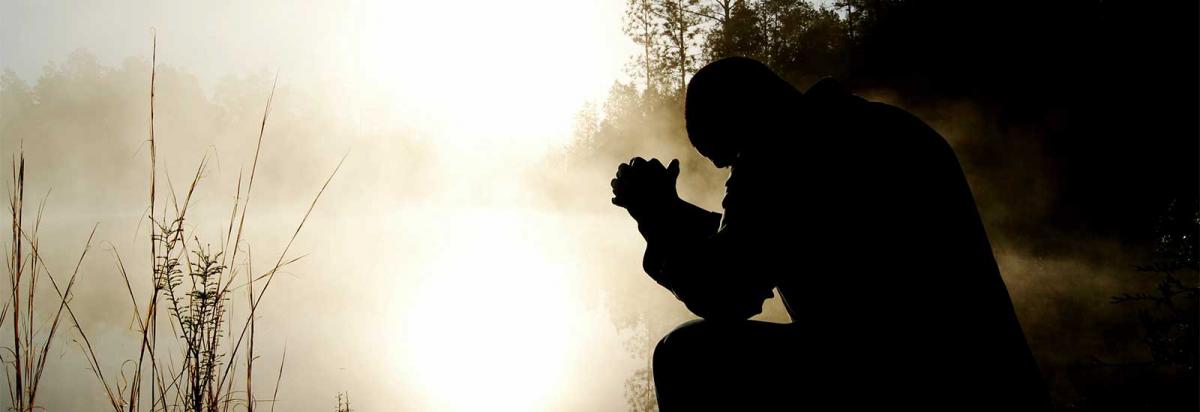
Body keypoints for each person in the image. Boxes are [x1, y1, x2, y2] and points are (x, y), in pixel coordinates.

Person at [610, 57, 1051, 410]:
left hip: (905, 380)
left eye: (729, 159)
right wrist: (673, 212)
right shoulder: (876, 126)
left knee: (688, 358)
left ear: (744, 119)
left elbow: (727, 292)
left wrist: (656, 217)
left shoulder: (780, 154)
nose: (731, 176)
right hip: (996, 376)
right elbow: (771, 238)